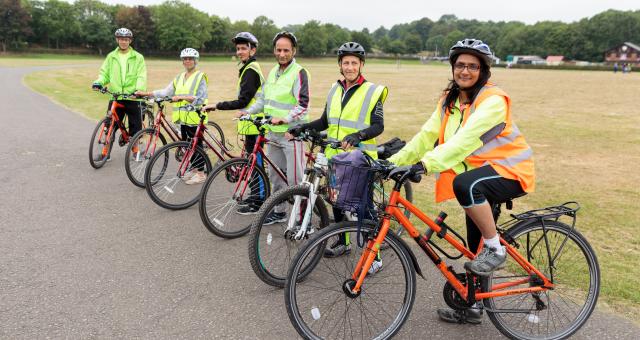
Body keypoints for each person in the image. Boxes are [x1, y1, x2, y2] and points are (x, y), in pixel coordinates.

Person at [388, 38, 535, 323]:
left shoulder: (493, 100)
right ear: (453, 67)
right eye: (460, 65)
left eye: (472, 66)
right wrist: (393, 163)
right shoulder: (450, 100)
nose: (465, 71)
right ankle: (473, 305)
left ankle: (496, 248)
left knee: (466, 187)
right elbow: (426, 136)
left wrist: (424, 165)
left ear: (483, 71)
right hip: (478, 177)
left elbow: (464, 142)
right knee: (472, 245)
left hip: (510, 171)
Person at [288, 42, 387, 273]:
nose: (350, 66)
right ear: (340, 65)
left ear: (361, 65)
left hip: (360, 158)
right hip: (336, 157)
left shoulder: (372, 91)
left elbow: (378, 126)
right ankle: (343, 242)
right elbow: (324, 122)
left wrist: (358, 135)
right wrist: (302, 127)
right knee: (336, 201)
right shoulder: (335, 89)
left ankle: (376, 256)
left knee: (365, 208)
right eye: (346, 62)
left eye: (354, 62)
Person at [238, 31, 310, 223]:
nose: (282, 54)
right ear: (274, 50)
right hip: (273, 134)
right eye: (278, 50)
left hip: (291, 134)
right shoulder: (272, 72)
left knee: (296, 181)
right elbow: (263, 98)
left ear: (293, 51)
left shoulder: (299, 72)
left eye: (286, 50)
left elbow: (303, 105)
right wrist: (248, 112)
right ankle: (279, 212)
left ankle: (303, 220)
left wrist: (285, 119)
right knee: (276, 176)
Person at [203, 32, 265, 208]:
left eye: (244, 48)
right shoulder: (248, 68)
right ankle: (255, 196)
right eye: (238, 49)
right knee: (251, 163)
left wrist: (217, 105)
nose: (239, 52)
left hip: (255, 122)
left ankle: (258, 200)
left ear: (252, 50)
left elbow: (243, 101)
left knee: (255, 165)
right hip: (250, 123)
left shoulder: (251, 70)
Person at [135, 48, 209, 184]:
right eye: (185, 59)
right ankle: (193, 170)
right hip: (182, 118)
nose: (187, 61)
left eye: (190, 58)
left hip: (195, 117)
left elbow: (200, 97)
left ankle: (200, 173)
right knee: (187, 145)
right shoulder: (180, 77)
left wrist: (180, 97)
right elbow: (166, 92)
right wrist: (147, 94)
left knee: (196, 145)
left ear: (195, 61)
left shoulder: (200, 76)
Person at [92, 28, 147, 160]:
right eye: (121, 39)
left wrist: (138, 90)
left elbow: (141, 75)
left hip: (133, 97)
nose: (123, 41)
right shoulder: (111, 56)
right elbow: (104, 73)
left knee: (135, 127)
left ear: (130, 41)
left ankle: (135, 150)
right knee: (109, 126)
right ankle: (105, 153)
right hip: (116, 96)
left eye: (126, 39)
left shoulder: (138, 57)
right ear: (117, 40)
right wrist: (99, 82)